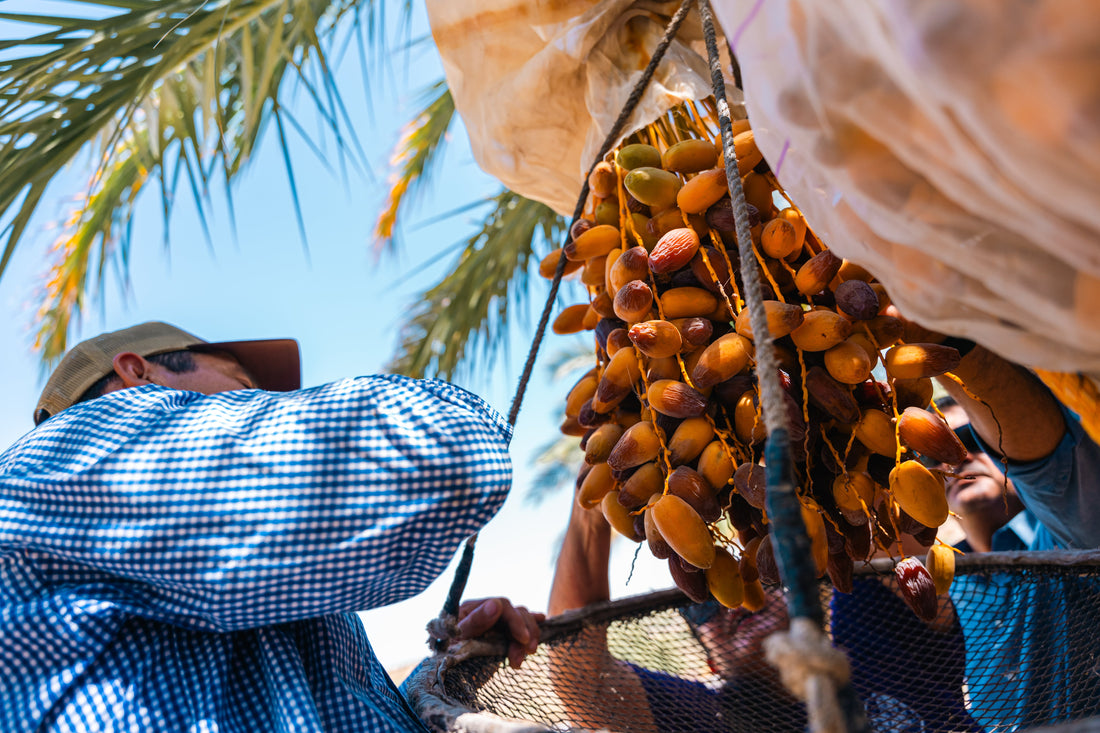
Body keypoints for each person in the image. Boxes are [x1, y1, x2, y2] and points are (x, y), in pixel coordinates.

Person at [0, 321, 542, 732]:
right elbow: (440, 452)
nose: (271, 403)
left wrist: (455, 664)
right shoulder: (85, 442)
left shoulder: (197, 541)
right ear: (136, 374)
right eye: (243, 385)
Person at [546, 484, 806, 733]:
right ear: (712, 663)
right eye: (702, 606)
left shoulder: (847, 650)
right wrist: (590, 507)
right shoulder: (700, 717)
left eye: (743, 579)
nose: (732, 606)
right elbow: (585, 683)